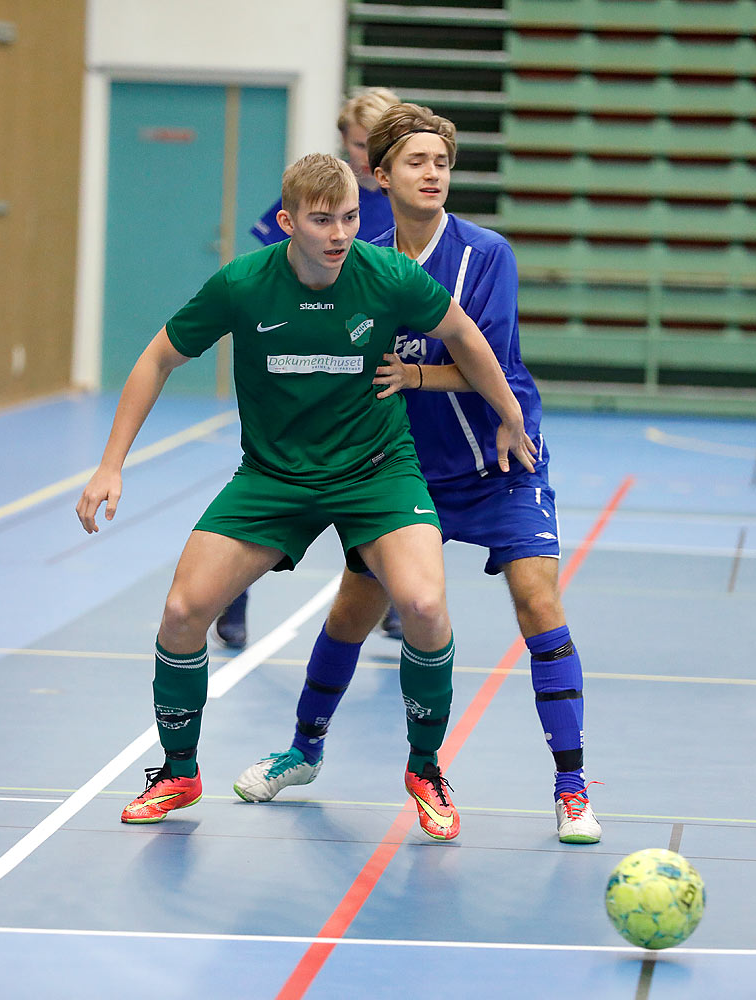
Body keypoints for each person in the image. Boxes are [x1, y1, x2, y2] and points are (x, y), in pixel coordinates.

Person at [76, 152, 536, 842]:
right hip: (273, 478)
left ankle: (425, 766)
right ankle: (178, 770)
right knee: (180, 612)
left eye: (349, 217)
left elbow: (465, 337)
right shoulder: (243, 285)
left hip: (377, 471)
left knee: (425, 604)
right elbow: (158, 357)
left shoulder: (388, 276)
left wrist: (509, 414)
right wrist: (110, 464)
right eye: (322, 220)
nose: (339, 233)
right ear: (289, 222)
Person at [231, 104, 603, 845]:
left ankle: (571, 785)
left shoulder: (485, 255)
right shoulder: (359, 256)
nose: (433, 173)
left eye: (442, 163)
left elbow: (482, 358)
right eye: (416, 162)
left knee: (537, 601)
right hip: (404, 473)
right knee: (350, 611)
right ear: (381, 175)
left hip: (499, 458)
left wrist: (417, 378)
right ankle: (302, 751)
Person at [215, 86, 404, 651]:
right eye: (357, 145)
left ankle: (388, 599)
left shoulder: (404, 209)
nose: (367, 158)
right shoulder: (320, 200)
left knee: (382, 490)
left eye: (378, 147)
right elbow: (263, 273)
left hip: (370, 375)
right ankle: (233, 600)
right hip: (300, 378)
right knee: (270, 491)